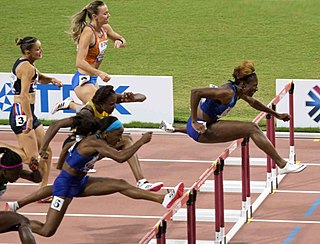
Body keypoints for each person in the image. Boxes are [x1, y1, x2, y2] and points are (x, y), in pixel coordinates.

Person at [6, 116, 184, 238]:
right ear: (106, 133)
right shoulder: (94, 142)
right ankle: (14, 223)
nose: (120, 138)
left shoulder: (100, 140)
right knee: (47, 230)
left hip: (80, 181)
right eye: (118, 135)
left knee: (121, 184)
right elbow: (121, 158)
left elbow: (112, 151)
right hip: (67, 186)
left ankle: (164, 199)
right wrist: (141, 141)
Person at [160, 60, 306, 175]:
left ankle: (175, 128)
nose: (256, 88)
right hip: (201, 130)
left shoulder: (238, 91)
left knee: (249, 128)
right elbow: (195, 92)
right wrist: (194, 121)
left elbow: (253, 102)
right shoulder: (227, 93)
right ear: (242, 84)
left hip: (206, 125)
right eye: (254, 86)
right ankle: (283, 165)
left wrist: (276, 115)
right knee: (251, 128)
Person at [42, 85, 163, 191]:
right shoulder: (86, 114)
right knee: (125, 141)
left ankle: (141, 182)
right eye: (111, 104)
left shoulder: (109, 100)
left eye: (115, 102)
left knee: (126, 139)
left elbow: (142, 97)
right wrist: (43, 148)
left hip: (93, 144)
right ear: (100, 104)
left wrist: (131, 97)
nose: (114, 106)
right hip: (77, 148)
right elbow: (55, 125)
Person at [0, 37, 63, 193]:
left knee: (46, 151)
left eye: (40, 48)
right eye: (37, 49)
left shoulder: (27, 64)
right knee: (30, 159)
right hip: (22, 113)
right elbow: (23, 96)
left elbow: (38, 77)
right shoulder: (26, 68)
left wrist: (52, 79)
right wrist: (28, 118)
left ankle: (43, 189)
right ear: (28, 52)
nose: (40, 51)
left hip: (28, 112)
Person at [51, 0, 127, 114]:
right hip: (83, 80)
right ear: (95, 16)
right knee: (100, 113)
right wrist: (99, 73)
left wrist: (119, 42)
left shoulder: (105, 28)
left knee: (92, 113)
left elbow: (121, 39)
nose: (108, 15)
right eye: (105, 13)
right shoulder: (88, 33)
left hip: (93, 79)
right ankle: (71, 105)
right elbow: (79, 62)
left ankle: (70, 105)